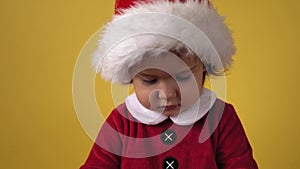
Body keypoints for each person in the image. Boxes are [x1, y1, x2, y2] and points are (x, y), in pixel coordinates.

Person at [80, 0, 258, 168]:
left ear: (204, 67)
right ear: (130, 76)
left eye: (182, 77)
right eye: (150, 80)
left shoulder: (220, 118)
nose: (166, 93)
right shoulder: (121, 122)